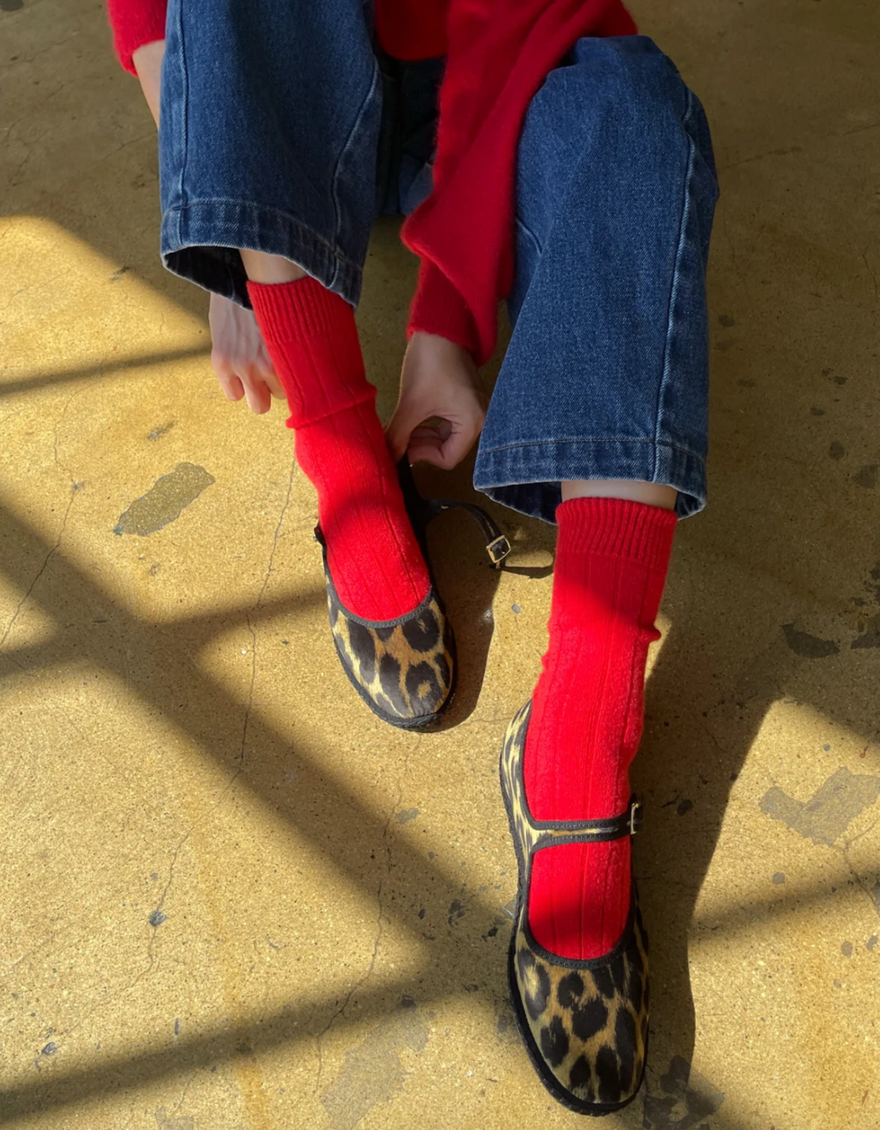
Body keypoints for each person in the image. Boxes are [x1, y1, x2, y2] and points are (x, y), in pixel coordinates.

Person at [106, 0, 718, 1113]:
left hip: (494, 80)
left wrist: (443, 319)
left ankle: (582, 728)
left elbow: (523, 18)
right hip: (297, 76)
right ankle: (347, 470)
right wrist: (227, 231)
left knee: (637, 115)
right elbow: (157, 19)